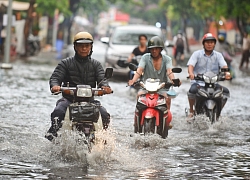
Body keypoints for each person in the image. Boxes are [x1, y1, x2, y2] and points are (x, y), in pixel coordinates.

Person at [45, 31, 113, 141]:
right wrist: (55, 85)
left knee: (104, 115)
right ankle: (53, 137)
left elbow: (102, 79)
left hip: (90, 101)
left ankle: (104, 140)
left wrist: (105, 87)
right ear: (75, 47)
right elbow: (55, 77)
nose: (84, 49)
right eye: (81, 46)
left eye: (87, 46)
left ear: (91, 47)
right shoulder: (65, 63)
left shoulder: (96, 65)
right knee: (58, 112)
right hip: (69, 100)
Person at [128, 36, 181, 111]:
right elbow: (139, 70)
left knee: (167, 99)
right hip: (146, 87)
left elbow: (169, 72)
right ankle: (137, 121)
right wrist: (133, 80)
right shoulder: (145, 57)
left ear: (160, 49)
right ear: (149, 49)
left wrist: (174, 80)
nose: (154, 51)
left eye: (156, 48)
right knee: (139, 96)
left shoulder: (167, 59)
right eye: (152, 49)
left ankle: (167, 120)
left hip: (162, 87)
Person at [186, 33, 231, 119]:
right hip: (199, 82)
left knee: (225, 92)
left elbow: (224, 66)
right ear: (203, 44)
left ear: (214, 44)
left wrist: (227, 73)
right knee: (192, 91)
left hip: (213, 83)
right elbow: (191, 65)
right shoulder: (197, 54)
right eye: (207, 42)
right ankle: (191, 111)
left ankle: (218, 111)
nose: (209, 44)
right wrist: (191, 73)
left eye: (211, 42)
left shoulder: (218, 55)